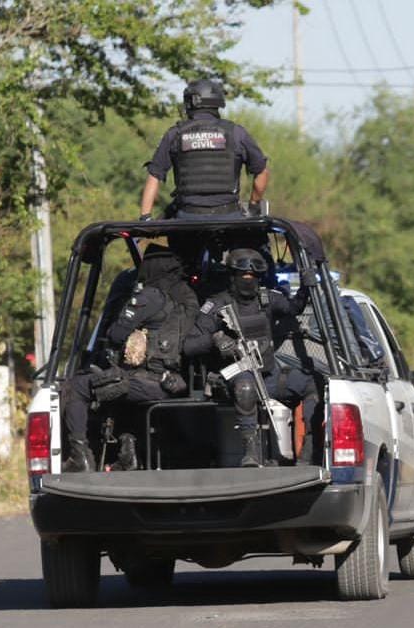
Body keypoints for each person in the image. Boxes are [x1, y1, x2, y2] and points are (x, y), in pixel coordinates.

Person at [62, 245, 199, 472]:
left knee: (78, 386)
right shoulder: (188, 297)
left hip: (148, 380)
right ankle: (128, 457)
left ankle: (80, 457)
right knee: (121, 390)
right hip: (174, 381)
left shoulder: (151, 296)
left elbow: (116, 334)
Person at [184, 247, 321, 467]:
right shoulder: (217, 305)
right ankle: (251, 452)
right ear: (232, 276)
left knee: (312, 383)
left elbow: (294, 308)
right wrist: (216, 340)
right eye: (243, 276)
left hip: (268, 375)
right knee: (245, 387)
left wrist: (306, 286)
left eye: (253, 277)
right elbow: (189, 346)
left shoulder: (267, 299)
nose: (248, 281)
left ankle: (308, 453)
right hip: (234, 379)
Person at [139, 79, 270, 221]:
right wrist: (253, 205)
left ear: (190, 103)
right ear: (218, 103)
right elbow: (262, 173)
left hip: (186, 221)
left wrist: (145, 218)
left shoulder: (175, 134)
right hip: (229, 219)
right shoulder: (236, 133)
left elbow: (154, 176)